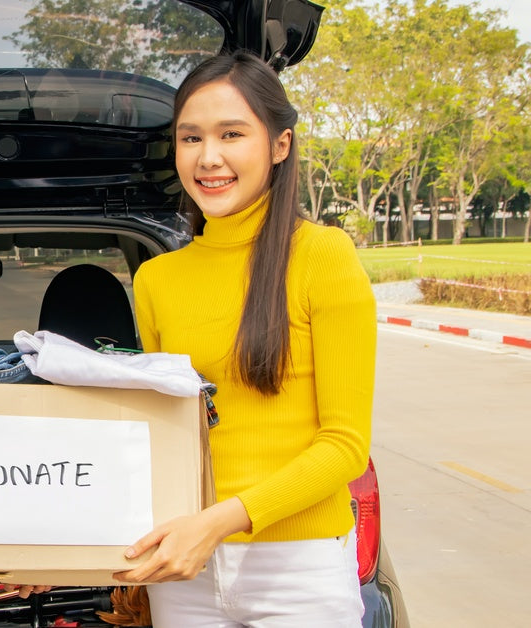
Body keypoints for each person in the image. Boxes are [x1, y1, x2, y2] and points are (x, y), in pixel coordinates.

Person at [116, 51, 375, 627]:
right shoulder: (157, 278)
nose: (209, 158)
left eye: (231, 134)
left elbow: (345, 445)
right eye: (191, 138)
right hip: (183, 570)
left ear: (279, 144)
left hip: (299, 571)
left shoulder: (323, 257)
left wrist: (215, 522)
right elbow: (166, 434)